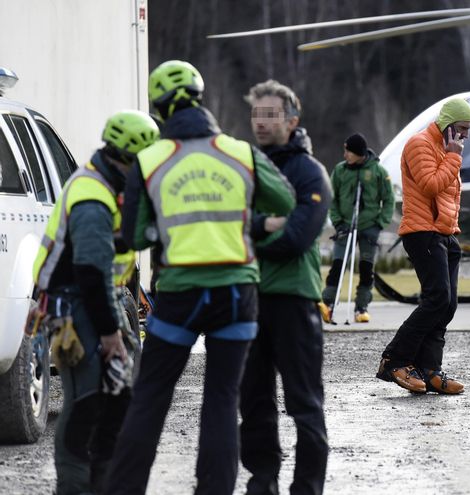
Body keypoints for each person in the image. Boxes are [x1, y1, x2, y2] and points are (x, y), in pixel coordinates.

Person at [105, 60, 295, 495]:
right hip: (235, 294)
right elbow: (286, 198)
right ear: (200, 97)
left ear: (159, 109)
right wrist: (250, 221)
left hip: (179, 294)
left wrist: (157, 228)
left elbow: (132, 236)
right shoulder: (240, 152)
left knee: (150, 397)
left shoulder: (150, 161)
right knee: (222, 402)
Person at [31, 110, 157, 495]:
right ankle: (74, 488)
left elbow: (114, 251)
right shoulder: (91, 196)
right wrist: (108, 334)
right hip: (77, 305)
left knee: (118, 397)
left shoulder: (111, 183)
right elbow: (89, 271)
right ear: (129, 158)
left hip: (99, 298)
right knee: (86, 401)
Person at [239, 79, 332, 495]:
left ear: (293, 121)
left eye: (270, 115)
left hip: (295, 302)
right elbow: (227, 226)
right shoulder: (242, 167)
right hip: (250, 300)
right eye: (256, 114)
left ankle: (307, 488)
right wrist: (261, 225)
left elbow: (296, 239)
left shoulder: (311, 174)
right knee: (254, 403)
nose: (261, 122)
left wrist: (249, 233)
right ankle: (263, 482)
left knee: (305, 404)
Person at [376, 98, 470, 395]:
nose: (464, 137)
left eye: (468, 130)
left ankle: (430, 369)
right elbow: (431, 184)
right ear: (446, 125)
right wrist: (454, 157)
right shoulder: (419, 144)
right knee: (437, 298)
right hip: (422, 231)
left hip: (445, 232)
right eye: (460, 129)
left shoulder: (445, 149)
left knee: (447, 304)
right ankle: (395, 360)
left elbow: (448, 192)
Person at [321, 133, 394, 323]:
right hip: (344, 226)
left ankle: (361, 308)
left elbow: (389, 200)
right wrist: (337, 223)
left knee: (366, 269)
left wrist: (379, 224)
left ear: (359, 153)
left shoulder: (378, 171)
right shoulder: (340, 170)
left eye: (349, 151)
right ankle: (327, 304)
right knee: (337, 266)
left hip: (369, 227)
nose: (345, 155)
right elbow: (332, 199)